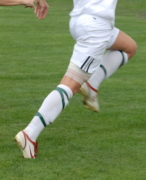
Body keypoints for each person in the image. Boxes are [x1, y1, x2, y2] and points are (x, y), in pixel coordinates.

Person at [15, 0, 137, 158]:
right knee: (71, 84)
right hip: (96, 27)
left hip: (81, 22)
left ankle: (92, 85)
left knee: (129, 47)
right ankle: (29, 134)